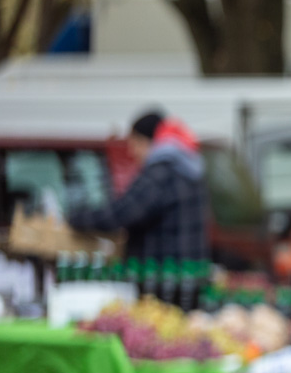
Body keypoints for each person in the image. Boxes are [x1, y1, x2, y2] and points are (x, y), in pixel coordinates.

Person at [69, 109, 209, 265]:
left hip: (162, 272)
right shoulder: (186, 169)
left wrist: (74, 219)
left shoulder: (159, 174)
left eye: (134, 144)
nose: (132, 152)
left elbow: (121, 213)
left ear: (144, 141)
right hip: (189, 270)